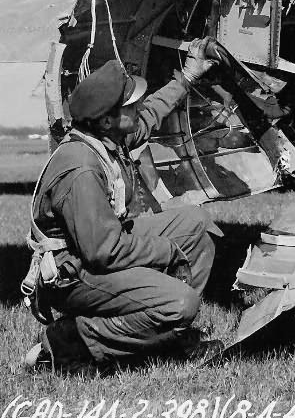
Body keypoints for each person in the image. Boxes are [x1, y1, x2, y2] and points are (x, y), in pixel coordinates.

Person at [24, 38, 224, 371]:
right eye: (129, 104)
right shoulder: (80, 169)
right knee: (180, 302)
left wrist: (188, 76)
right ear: (106, 120)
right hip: (72, 274)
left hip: (97, 251)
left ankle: (171, 335)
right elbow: (103, 251)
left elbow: (151, 113)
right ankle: (71, 342)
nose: (137, 106)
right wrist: (167, 252)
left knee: (196, 225)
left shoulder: (109, 136)